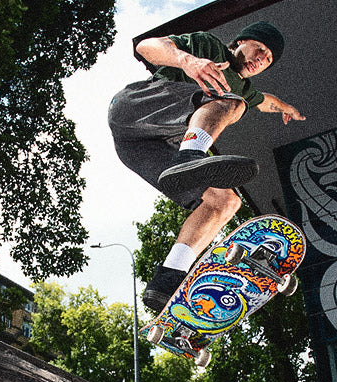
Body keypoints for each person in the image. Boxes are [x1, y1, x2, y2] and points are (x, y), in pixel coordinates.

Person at [108, 21, 306, 312]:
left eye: (268, 60)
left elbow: (266, 102)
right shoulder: (207, 45)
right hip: (134, 110)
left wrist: (286, 108)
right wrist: (187, 61)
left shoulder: (246, 89)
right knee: (232, 103)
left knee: (225, 201)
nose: (261, 60)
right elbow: (145, 46)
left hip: (141, 149)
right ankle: (190, 155)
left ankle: (168, 277)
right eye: (260, 49)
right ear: (242, 41)